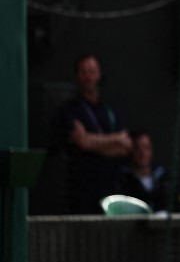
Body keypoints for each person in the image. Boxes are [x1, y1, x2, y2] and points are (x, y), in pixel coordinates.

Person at [56, 54, 132, 214]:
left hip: (111, 188)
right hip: (81, 192)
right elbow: (82, 142)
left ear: (99, 74)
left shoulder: (110, 112)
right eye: (83, 72)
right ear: (77, 76)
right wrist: (114, 139)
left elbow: (125, 147)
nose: (88, 76)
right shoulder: (70, 110)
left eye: (92, 71)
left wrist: (92, 142)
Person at [117, 129, 172, 212]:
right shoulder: (122, 179)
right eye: (138, 149)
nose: (143, 154)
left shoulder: (163, 177)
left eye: (147, 148)